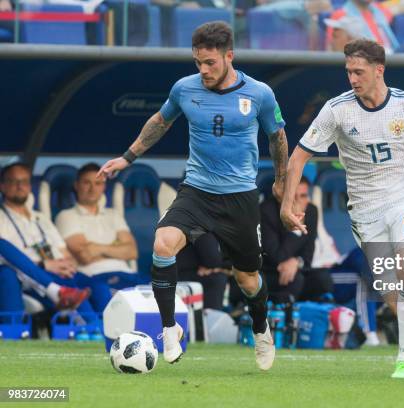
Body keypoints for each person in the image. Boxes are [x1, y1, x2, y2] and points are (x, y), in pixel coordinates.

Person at [98, 21, 288, 369]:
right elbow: (160, 121)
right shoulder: (185, 89)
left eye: (210, 63)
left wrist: (280, 181)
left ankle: (261, 330)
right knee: (162, 244)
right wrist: (127, 157)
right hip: (197, 190)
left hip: (240, 197)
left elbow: (277, 138)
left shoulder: (259, 93)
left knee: (247, 280)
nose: (203, 69)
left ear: (229, 56)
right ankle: (169, 330)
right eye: (198, 62)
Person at [280, 39, 404, 378]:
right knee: (389, 290)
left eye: (358, 72)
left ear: (378, 70)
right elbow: (298, 158)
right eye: (348, 72)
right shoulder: (337, 110)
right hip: (366, 209)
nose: (352, 79)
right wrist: (286, 203)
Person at [0, 163, 91, 314]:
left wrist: (66, 266)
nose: (19, 186)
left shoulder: (41, 217)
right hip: (27, 277)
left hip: (57, 271)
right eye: (13, 181)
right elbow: (5, 258)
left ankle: (101, 329)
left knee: (96, 285)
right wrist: (44, 265)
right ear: (2, 186)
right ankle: (90, 327)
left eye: (24, 181)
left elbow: (65, 253)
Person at [55, 163, 141, 311]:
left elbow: (132, 251)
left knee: (160, 290)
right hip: (94, 277)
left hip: (128, 275)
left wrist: (96, 247)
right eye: (86, 182)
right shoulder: (66, 216)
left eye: (98, 183)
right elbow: (85, 255)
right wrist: (116, 247)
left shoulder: (113, 215)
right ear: (77, 185)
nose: (92, 188)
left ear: (104, 187)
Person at [260, 176, 332, 303]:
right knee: (295, 279)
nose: (298, 201)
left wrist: (296, 262)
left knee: (323, 278)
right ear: (285, 196)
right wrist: (296, 225)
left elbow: (308, 254)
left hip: (298, 268)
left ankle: (313, 313)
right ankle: (285, 317)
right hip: (271, 271)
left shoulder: (311, 211)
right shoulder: (267, 211)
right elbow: (277, 256)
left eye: (303, 196)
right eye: (294, 196)